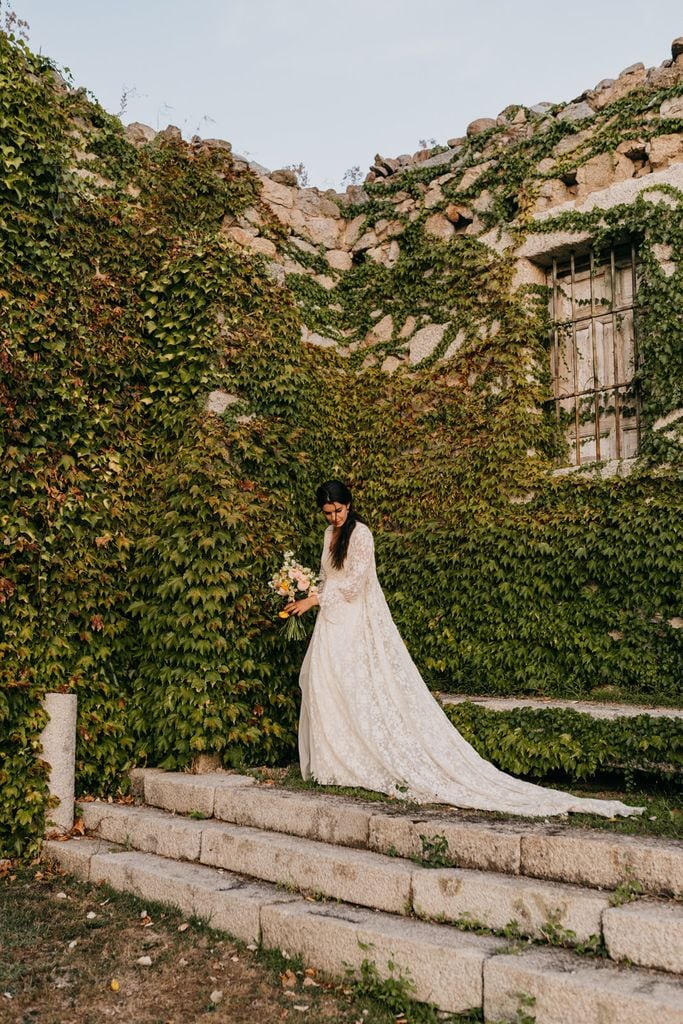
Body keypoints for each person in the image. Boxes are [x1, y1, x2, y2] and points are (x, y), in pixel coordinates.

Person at [285, 480, 644, 818]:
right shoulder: (328, 534)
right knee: (327, 682)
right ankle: (333, 762)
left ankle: (363, 756)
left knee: (356, 684)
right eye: (328, 513)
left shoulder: (361, 534)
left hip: (352, 617)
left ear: (349, 506)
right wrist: (303, 591)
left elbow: (354, 583)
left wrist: (315, 598)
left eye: (338, 511)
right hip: (331, 619)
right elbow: (328, 576)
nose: (334, 518)